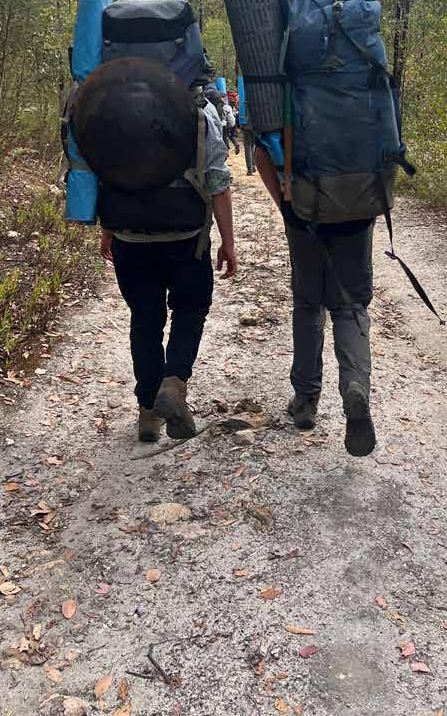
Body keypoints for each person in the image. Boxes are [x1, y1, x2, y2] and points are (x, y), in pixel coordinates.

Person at [100, 98, 237, 443]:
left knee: (145, 319)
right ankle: (174, 382)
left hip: (129, 235)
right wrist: (228, 242)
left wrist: (108, 228)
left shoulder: (116, 103)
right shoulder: (198, 107)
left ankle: (148, 411)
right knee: (190, 309)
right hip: (186, 236)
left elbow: (106, 172)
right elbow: (217, 181)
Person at [254, 146, 376, 458]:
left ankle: (305, 401)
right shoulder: (366, 109)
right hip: (357, 209)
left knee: (308, 304)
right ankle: (355, 385)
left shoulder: (292, 107)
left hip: (302, 207)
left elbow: (262, 153)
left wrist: (285, 204)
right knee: (350, 307)